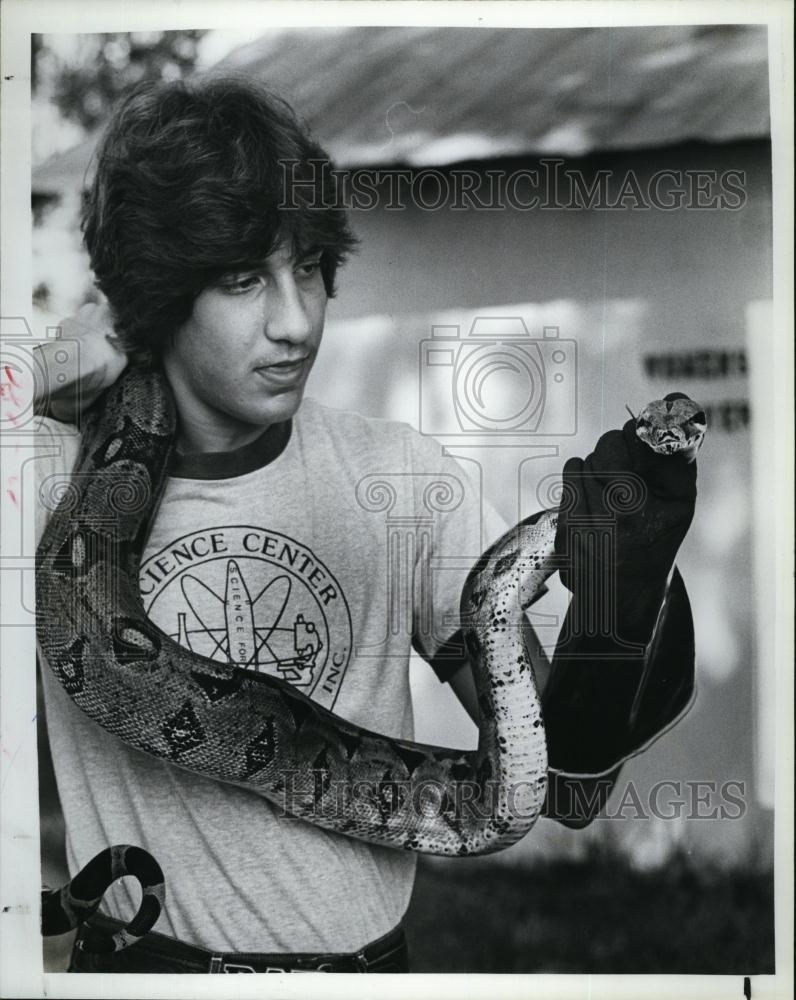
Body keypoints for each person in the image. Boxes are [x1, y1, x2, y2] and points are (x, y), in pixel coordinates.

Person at [34, 76, 698, 974]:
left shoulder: (402, 480)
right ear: (152, 299)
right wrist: (34, 365)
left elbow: (566, 792)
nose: (297, 321)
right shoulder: (42, 474)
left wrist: (620, 605)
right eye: (243, 281)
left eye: (307, 266)